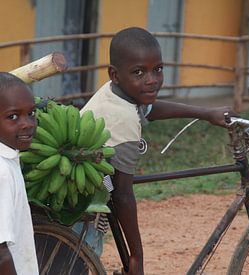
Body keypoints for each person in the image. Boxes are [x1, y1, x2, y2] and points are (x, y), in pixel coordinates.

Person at [81, 27, 238, 275]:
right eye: (139, 72)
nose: (152, 79)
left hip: (93, 189)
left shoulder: (119, 92)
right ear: (115, 74)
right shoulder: (122, 119)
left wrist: (206, 113)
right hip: (85, 205)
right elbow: (123, 194)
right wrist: (137, 257)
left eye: (158, 69)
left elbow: (151, 109)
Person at [0, 72, 39, 275]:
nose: (27, 123)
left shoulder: (9, 159)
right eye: (13, 116)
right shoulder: (3, 172)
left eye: (31, 113)